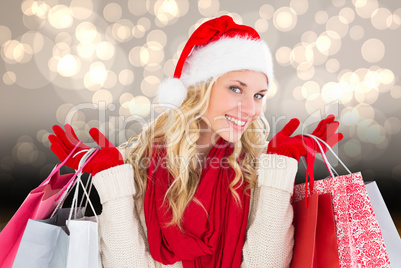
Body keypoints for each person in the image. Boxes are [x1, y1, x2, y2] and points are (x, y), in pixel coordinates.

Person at [49, 15, 343, 268]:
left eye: (258, 95)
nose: (252, 109)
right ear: (197, 89)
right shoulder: (134, 163)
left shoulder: (260, 165)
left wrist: (281, 167)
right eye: (235, 89)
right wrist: (109, 178)